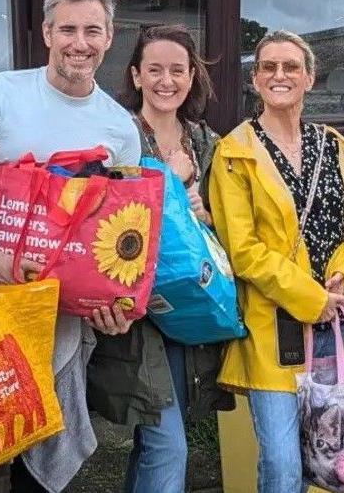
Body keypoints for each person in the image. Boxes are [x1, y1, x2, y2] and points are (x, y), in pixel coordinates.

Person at [0, 0, 140, 493]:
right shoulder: (0, 94)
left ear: (109, 36)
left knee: (40, 453)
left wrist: (116, 307)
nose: (79, 44)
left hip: (64, 320)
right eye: (67, 30)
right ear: (46, 33)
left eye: (92, 31)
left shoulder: (120, 127)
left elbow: (124, 235)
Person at [208, 30, 344, 493]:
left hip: (336, 326)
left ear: (310, 78)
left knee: (335, 460)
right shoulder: (235, 152)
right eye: (269, 67)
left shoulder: (338, 147)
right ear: (255, 79)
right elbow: (242, 250)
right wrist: (311, 297)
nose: (279, 75)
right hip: (273, 330)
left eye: (290, 67)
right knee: (284, 465)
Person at [84, 24, 233, 493]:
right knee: (168, 442)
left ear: (192, 77)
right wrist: (166, 186)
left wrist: (206, 214)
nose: (167, 81)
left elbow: (230, 222)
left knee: (159, 437)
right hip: (135, 311)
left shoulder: (208, 141)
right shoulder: (117, 135)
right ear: (136, 75)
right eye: (155, 70)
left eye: (177, 70)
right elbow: (95, 215)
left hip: (189, 304)